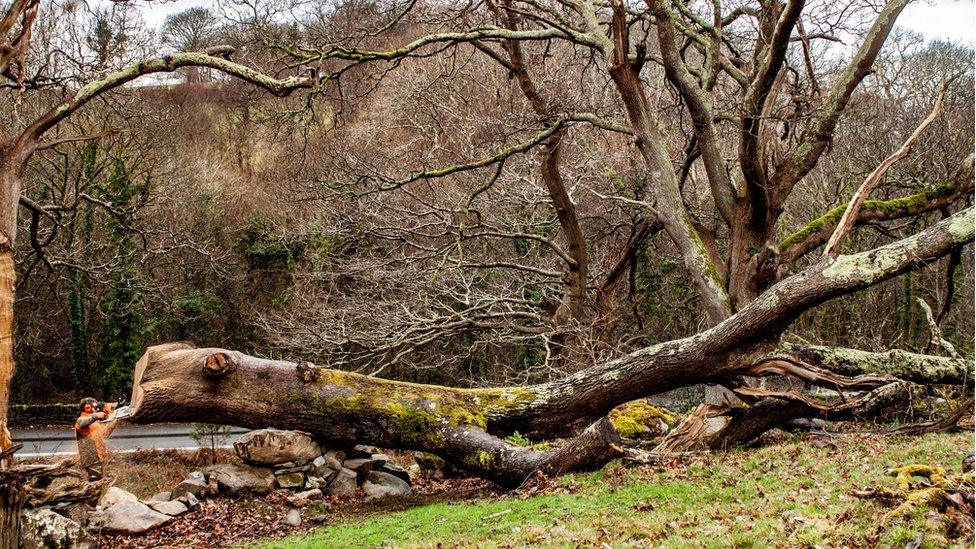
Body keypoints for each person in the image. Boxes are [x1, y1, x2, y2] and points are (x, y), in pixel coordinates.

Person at [74, 398, 119, 480]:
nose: (97, 409)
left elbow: (104, 434)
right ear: (87, 407)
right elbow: (83, 423)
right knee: (94, 481)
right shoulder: (81, 419)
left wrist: (115, 419)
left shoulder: (95, 422)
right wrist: (95, 416)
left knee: (101, 480)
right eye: (94, 407)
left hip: (100, 457)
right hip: (91, 460)